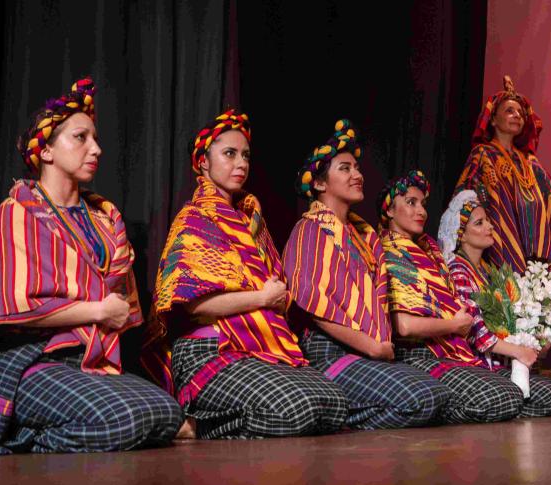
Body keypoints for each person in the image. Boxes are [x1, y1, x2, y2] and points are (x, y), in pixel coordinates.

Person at [0, 78, 182, 456]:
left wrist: (109, 311)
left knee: (169, 412)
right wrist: (98, 309)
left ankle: (67, 425)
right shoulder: (16, 214)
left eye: (95, 139)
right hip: (37, 363)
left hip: (94, 361)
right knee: (126, 421)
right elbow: (9, 306)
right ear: (45, 151)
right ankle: (25, 437)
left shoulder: (105, 220)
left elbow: (122, 307)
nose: (96, 149)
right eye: (81, 138)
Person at [152, 110, 348, 439]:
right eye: (229, 154)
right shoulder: (194, 220)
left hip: (262, 345)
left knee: (334, 405)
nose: (241, 163)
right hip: (212, 350)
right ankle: (199, 424)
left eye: (245, 155)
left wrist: (277, 298)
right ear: (203, 162)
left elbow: (277, 291)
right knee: (294, 412)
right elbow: (195, 306)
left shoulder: (251, 221)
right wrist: (262, 298)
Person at [283, 120, 450, 430]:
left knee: (438, 393)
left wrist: (377, 346)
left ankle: (340, 417)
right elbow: (311, 302)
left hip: (368, 351)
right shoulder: (310, 229)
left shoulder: (364, 236)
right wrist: (371, 346)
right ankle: (335, 419)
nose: (357, 174)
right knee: (422, 398)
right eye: (345, 169)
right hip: (330, 351)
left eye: (357, 167)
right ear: (319, 184)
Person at [379, 170, 526, 423]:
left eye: (423, 204)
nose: (421, 211)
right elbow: (404, 326)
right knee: (507, 397)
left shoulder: (429, 251)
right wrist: (454, 325)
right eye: (411, 203)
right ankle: (437, 409)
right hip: (420, 353)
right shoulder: (391, 251)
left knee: (546, 395)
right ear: (390, 211)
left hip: (455, 350)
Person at [438, 189, 551, 417]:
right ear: (462, 234)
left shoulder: (490, 271)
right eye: (479, 223)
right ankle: (493, 404)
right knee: (512, 397)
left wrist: (535, 339)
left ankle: (508, 403)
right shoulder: (458, 271)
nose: (489, 227)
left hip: (503, 363)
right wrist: (518, 351)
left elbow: (515, 321)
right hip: (476, 364)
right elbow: (474, 331)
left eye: (488, 220)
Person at [455, 76, 551, 291]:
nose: (517, 116)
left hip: (536, 254)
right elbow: (467, 199)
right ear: (493, 119)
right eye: (510, 111)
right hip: (500, 247)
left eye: (520, 112)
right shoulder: (483, 155)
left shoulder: (530, 162)